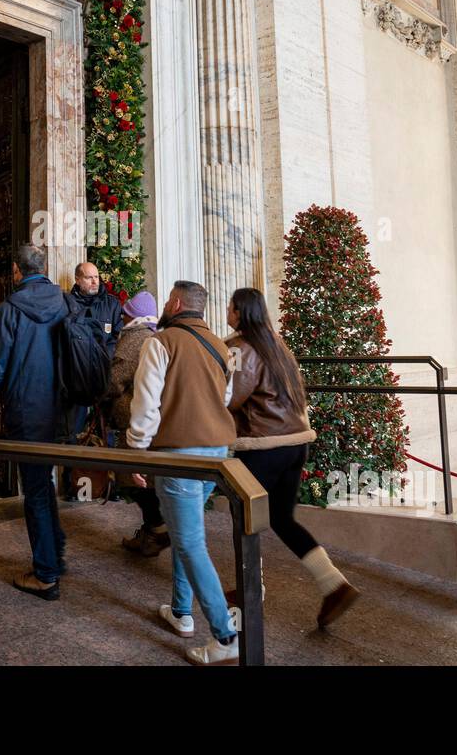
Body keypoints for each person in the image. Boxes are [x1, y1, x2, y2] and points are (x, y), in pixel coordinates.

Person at [224, 287, 360, 628]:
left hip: (262, 446)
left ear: (239, 312)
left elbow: (232, 397)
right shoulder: (277, 343)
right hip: (295, 443)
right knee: (282, 519)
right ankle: (334, 584)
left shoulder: (239, 348)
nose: (226, 311)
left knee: (245, 517)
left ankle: (250, 588)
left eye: (230, 306)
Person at [127, 280, 239, 665]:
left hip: (179, 454)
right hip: (217, 453)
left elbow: (146, 402)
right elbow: (224, 398)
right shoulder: (224, 348)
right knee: (184, 529)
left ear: (175, 303)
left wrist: (137, 449)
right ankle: (180, 610)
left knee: (190, 543)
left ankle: (225, 635)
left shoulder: (160, 342)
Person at [0, 244, 71, 599]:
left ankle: (46, 574)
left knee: (34, 489)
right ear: (43, 268)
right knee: (44, 482)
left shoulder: (9, 310)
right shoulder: (66, 303)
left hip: (27, 410)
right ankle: (55, 554)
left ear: (16, 272)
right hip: (61, 411)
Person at [104, 290, 168, 557]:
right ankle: (152, 531)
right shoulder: (155, 336)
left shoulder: (134, 339)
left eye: (127, 310)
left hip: (131, 418)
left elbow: (114, 380)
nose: (123, 314)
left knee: (132, 479)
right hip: (150, 419)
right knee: (143, 478)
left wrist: (99, 394)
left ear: (134, 315)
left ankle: (158, 527)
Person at [62, 261, 123, 441]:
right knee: (74, 434)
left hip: (105, 378)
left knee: (105, 435)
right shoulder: (67, 304)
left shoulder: (111, 304)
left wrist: (105, 358)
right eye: (89, 278)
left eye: (96, 277)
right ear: (78, 279)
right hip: (76, 380)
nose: (95, 281)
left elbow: (118, 337)